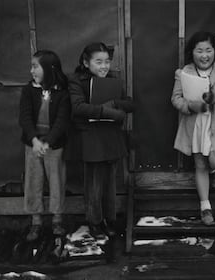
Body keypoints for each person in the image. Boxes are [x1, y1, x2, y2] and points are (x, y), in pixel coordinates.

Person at [171, 31, 215, 226]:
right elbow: (175, 99)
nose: (204, 55)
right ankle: (205, 207)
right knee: (200, 165)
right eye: (199, 50)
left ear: (214, 52)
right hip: (196, 124)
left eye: (208, 50)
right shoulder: (183, 72)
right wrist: (189, 106)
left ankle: (214, 172)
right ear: (192, 52)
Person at [69, 42, 134, 238]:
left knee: (110, 183)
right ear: (86, 63)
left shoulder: (114, 80)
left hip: (111, 137)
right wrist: (110, 112)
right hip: (90, 138)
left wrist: (114, 103)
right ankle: (95, 221)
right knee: (94, 184)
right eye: (98, 62)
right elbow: (77, 107)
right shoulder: (76, 81)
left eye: (107, 62)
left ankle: (110, 219)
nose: (104, 66)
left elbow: (131, 103)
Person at [19, 50, 70, 241]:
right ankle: (36, 221)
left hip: (53, 146)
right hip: (32, 144)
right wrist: (34, 140)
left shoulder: (61, 92)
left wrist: (47, 141)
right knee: (34, 181)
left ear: (49, 69)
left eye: (35, 66)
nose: (31, 70)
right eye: (31, 66)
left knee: (57, 181)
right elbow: (24, 117)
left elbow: (62, 121)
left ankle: (57, 219)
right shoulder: (28, 90)